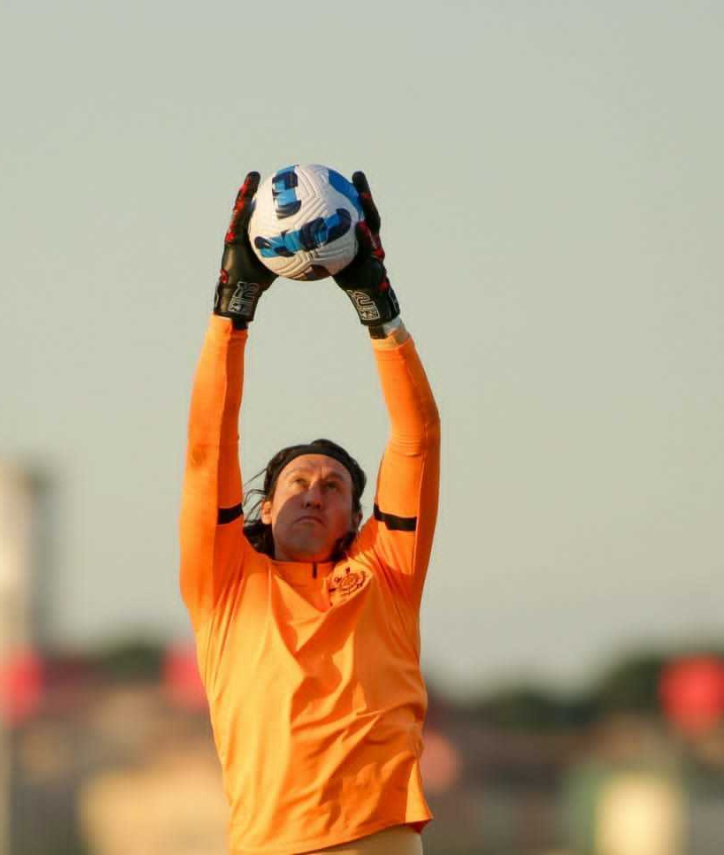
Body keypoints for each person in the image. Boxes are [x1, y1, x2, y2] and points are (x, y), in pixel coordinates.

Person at [179, 171, 441, 855]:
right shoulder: (225, 582)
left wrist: (377, 305)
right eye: (298, 481)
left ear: (355, 521)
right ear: (266, 505)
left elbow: (417, 439)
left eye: (333, 487)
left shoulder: (386, 573)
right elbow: (209, 447)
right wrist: (232, 310)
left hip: (378, 839)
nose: (315, 492)